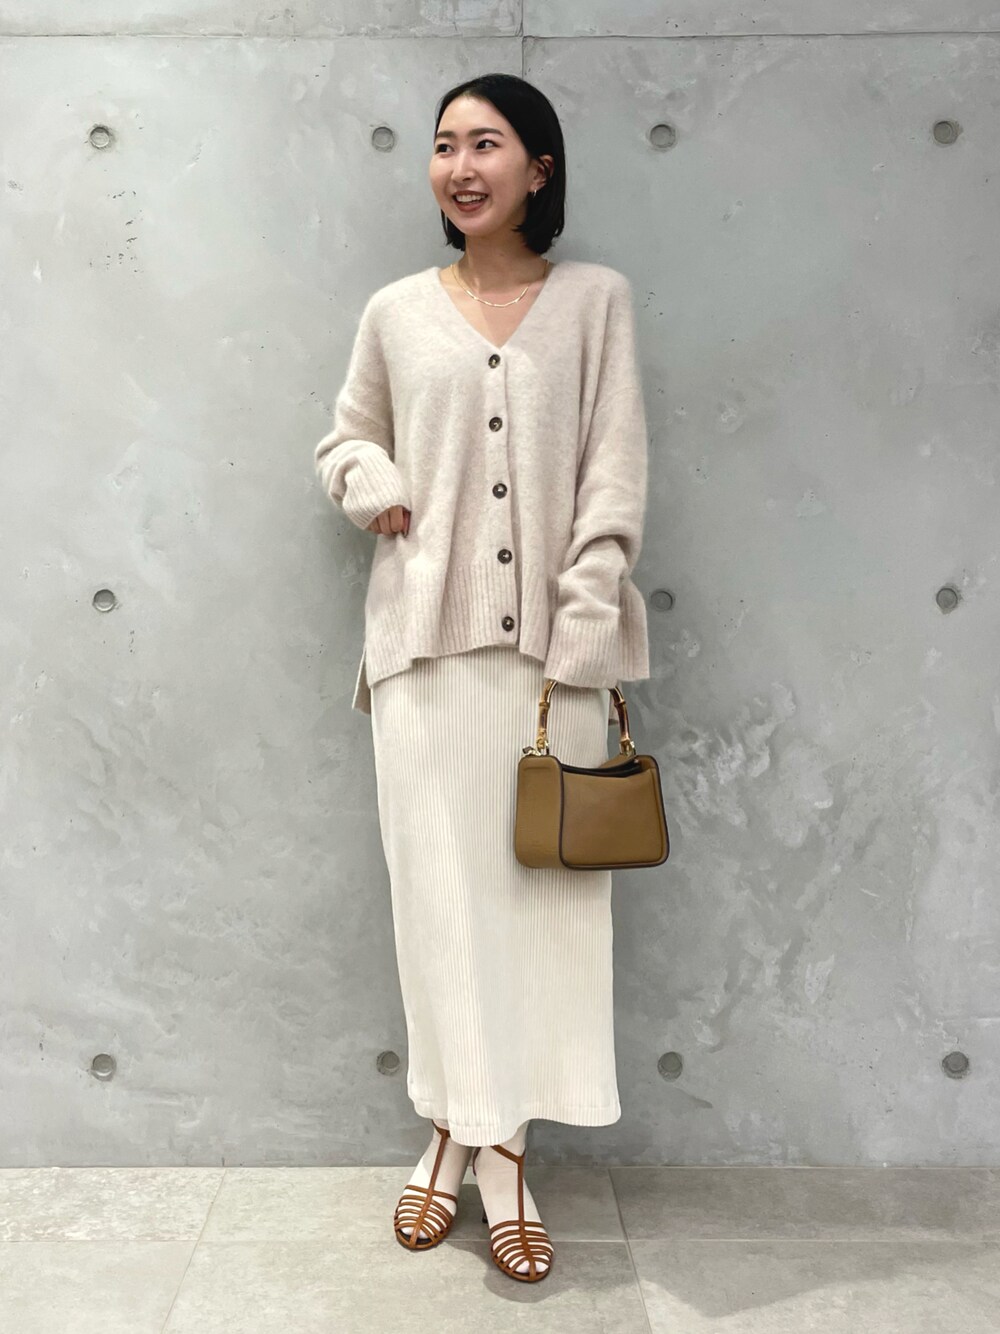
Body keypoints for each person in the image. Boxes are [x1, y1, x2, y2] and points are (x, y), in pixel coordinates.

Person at [314, 72, 651, 1283]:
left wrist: (583, 627)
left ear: (537, 167)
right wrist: (371, 484)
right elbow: (345, 435)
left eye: (487, 143)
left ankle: (493, 1147)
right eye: (444, 145)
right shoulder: (397, 311)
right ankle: (461, 1133)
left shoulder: (596, 302)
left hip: (556, 665)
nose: (460, 166)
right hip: (422, 654)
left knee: (542, 919)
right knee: (440, 910)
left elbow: (613, 473)